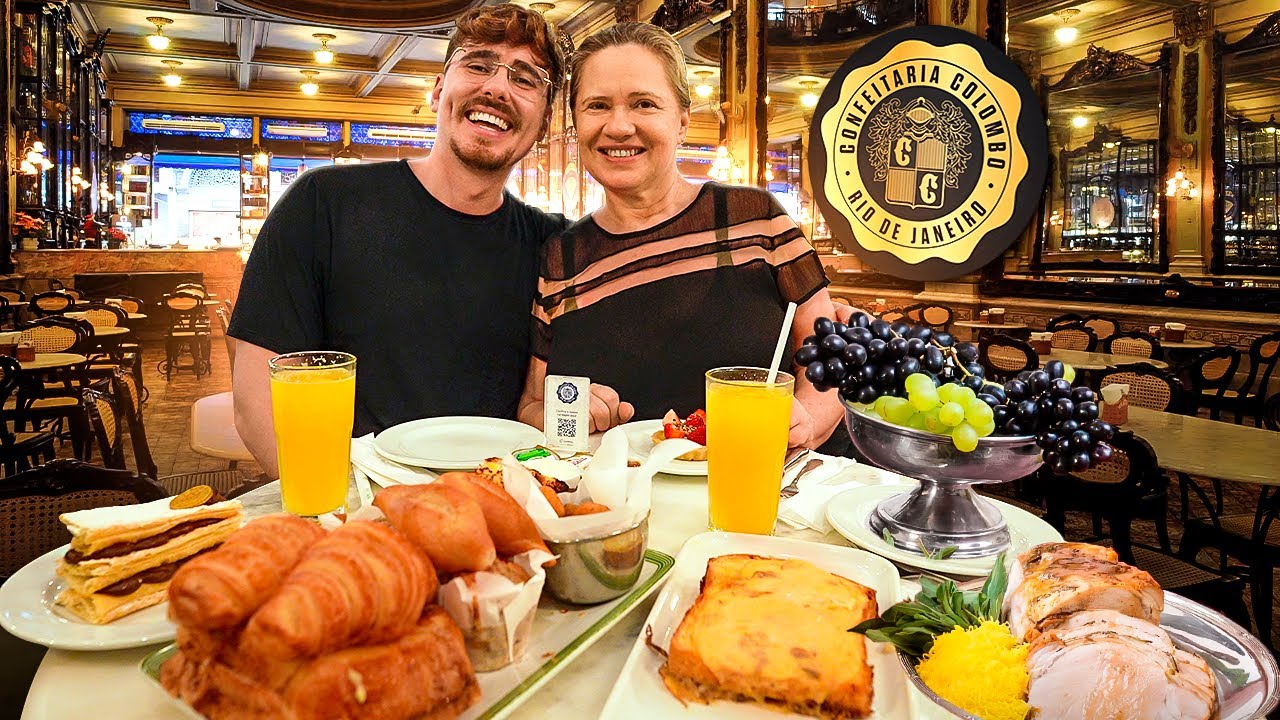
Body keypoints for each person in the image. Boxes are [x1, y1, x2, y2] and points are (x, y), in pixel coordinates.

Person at [229, 4, 569, 478]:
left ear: (545, 122)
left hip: (498, 504)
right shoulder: (324, 203)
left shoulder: (554, 246)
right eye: (478, 65)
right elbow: (258, 399)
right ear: (438, 90)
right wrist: (337, 506)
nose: (496, 88)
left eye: (526, 79)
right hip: (356, 503)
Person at [516, 22, 846, 450]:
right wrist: (568, 412)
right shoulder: (562, 258)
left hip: (759, 478)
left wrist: (807, 423)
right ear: (577, 122)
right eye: (597, 105)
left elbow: (830, 356)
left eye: (644, 104)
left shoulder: (754, 218)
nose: (619, 126)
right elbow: (532, 404)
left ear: (682, 122)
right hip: (623, 489)